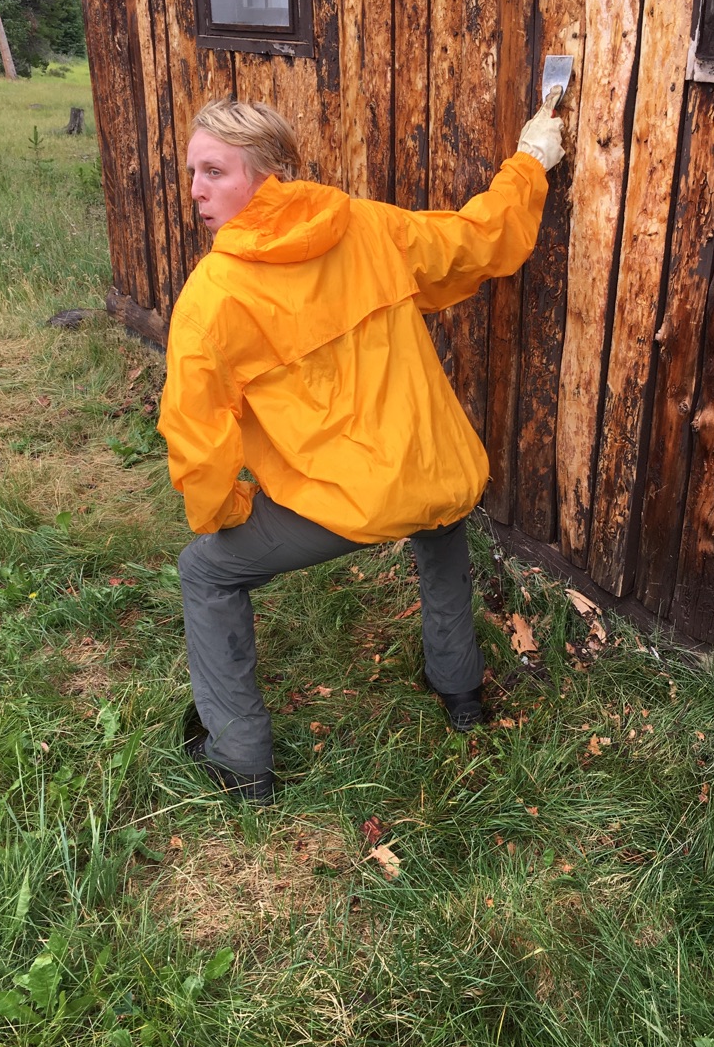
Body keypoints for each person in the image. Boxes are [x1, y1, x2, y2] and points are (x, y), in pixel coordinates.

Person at [157, 94, 565, 802]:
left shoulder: (214, 296)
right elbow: (481, 236)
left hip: (348, 501)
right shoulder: (367, 226)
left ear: (265, 173)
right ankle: (461, 693)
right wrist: (531, 161)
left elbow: (197, 438)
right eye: (192, 172)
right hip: (433, 470)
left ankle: (240, 757)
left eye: (213, 171)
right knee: (437, 522)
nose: (194, 190)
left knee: (206, 570)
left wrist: (226, 510)